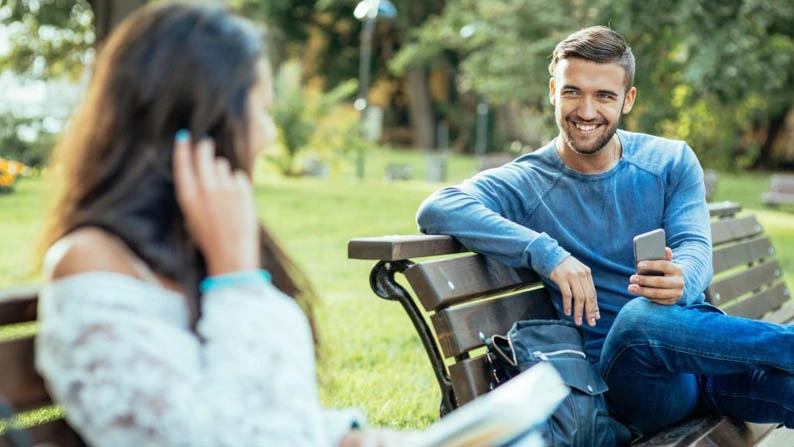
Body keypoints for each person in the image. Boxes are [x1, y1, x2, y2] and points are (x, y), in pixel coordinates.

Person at [35, 3, 414, 446]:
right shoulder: (91, 262)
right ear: (202, 122)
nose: (268, 135)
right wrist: (235, 274)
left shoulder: (192, 246)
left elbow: (268, 419)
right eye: (260, 110)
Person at [417, 25, 794, 439]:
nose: (586, 111)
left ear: (628, 100)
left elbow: (694, 246)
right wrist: (546, 253)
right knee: (639, 321)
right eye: (573, 91)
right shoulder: (529, 181)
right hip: (630, 390)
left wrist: (683, 278)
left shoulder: (670, 161)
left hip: (698, 364)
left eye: (604, 96)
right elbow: (438, 206)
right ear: (552, 91)